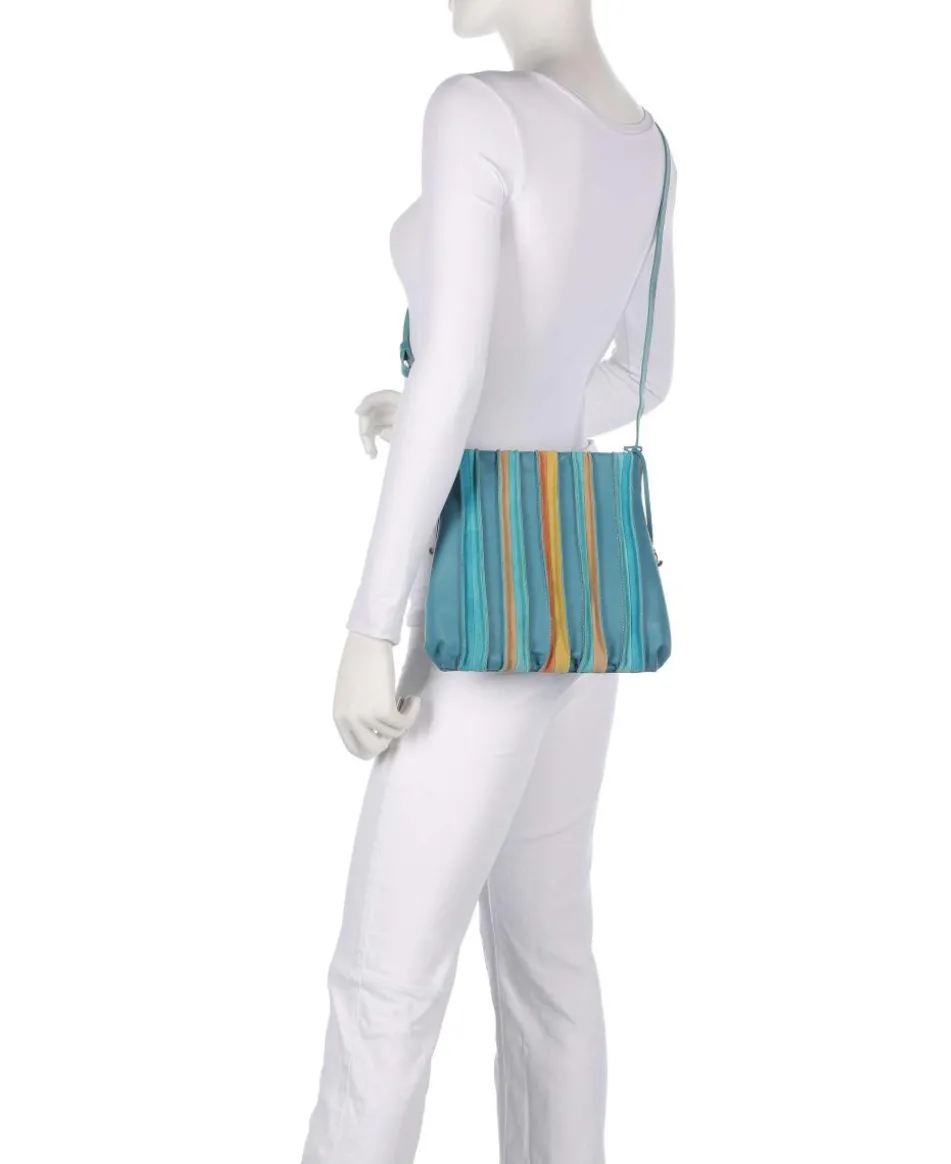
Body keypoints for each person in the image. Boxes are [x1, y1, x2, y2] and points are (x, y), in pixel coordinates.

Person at [302, 2, 677, 1161]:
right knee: (549, 966)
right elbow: (642, 378)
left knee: (384, 986)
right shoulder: (647, 143)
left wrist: (370, 626)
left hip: (481, 605)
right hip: (577, 599)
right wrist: (474, 413)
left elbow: (457, 365)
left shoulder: (477, 111)